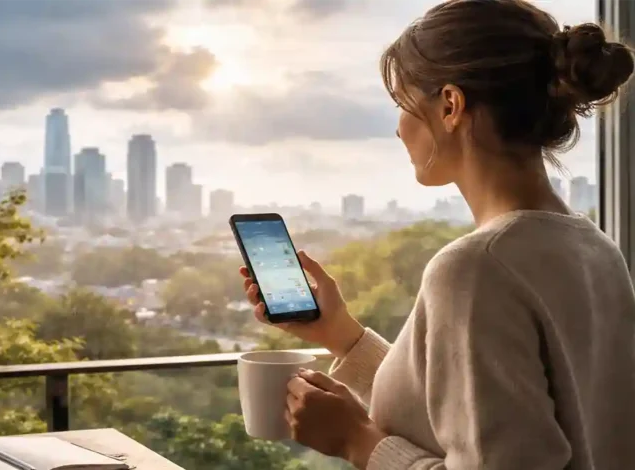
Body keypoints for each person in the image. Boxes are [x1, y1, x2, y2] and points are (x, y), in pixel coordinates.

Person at [239, 1, 635, 468]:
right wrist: (341, 334)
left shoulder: (478, 267)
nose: (398, 128)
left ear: (450, 105)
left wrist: (355, 440)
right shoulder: (596, 249)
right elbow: (473, 414)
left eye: (403, 105)